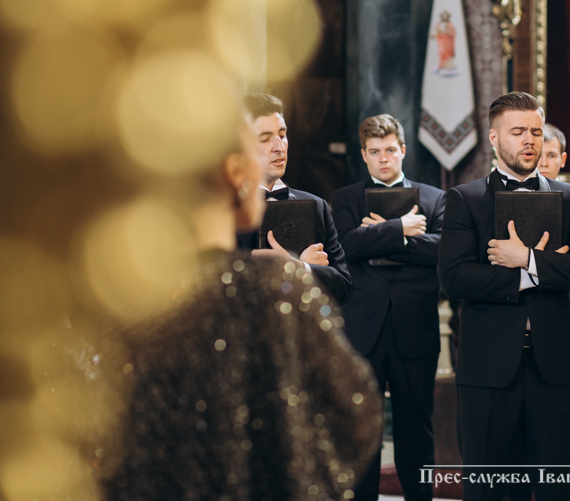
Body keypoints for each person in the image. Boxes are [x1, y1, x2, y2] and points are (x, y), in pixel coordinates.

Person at [105, 113, 382, 500]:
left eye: (282, 135)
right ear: (236, 172)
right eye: (260, 143)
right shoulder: (272, 287)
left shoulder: (127, 292)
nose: (276, 149)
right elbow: (357, 412)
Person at [438, 92, 570, 501]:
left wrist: (525, 259)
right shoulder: (465, 200)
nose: (530, 140)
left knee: (558, 492)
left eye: (535, 131)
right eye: (518, 132)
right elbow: (454, 278)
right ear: (494, 138)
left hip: (555, 368)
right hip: (487, 369)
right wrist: (540, 272)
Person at [331, 114, 445, 501]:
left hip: (416, 328)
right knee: (361, 430)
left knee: (417, 428)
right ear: (364, 155)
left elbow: (442, 250)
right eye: (375, 151)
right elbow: (344, 246)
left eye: (390, 150)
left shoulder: (435, 198)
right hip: (363, 329)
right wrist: (400, 229)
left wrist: (377, 234)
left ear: (403, 150)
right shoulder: (344, 199)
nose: (384, 158)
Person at [508, 123, 570, 501]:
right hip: (515, 334)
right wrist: (550, 263)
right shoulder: (507, 201)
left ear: (561, 160)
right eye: (538, 153)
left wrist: (527, 260)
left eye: (550, 155)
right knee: (517, 441)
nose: (542, 161)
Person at [238, 93, 353, 304]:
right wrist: (292, 268)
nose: (279, 146)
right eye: (265, 138)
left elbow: (344, 288)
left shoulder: (316, 206)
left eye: (282, 135)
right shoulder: (228, 211)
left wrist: (302, 268)